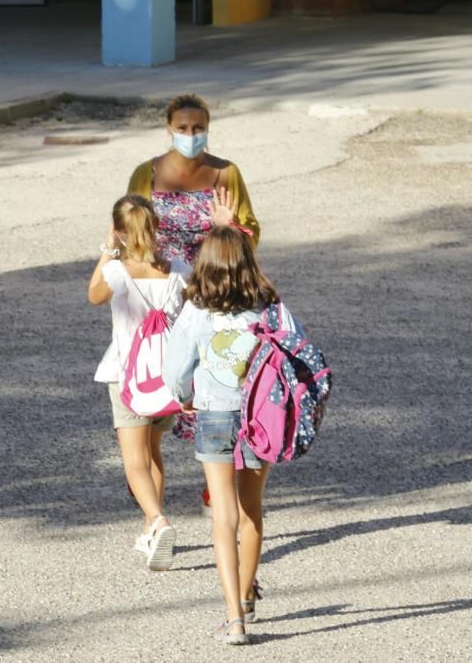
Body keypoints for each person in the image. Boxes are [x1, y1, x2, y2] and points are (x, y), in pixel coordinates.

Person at [162, 226, 300, 645]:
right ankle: (246, 588)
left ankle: (233, 617)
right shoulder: (270, 307)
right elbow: (293, 351)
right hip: (261, 417)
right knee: (251, 512)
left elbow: (175, 369)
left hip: (214, 416)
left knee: (222, 517)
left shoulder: (198, 309)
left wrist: (185, 396)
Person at [127, 93, 261, 514]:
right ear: (168, 128)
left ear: (208, 127)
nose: (190, 135)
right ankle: (150, 495)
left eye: (197, 127)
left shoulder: (226, 173)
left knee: (214, 390)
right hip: (159, 298)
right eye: (182, 128)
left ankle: (215, 482)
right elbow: (130, 227)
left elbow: (250, 237)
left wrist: (229, 227)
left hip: (212, 295)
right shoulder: (145, 173)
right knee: (156, 390)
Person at [88, 195, 191, 570]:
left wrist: (108, 250)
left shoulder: (118, 272)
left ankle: (158, 520)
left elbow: (93, 294)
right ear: (157, 227)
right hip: (167, 376)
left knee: (133, 459)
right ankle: (150, 526)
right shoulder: (178, 269)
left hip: (127, 375)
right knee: (153, 451)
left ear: (119, 232)